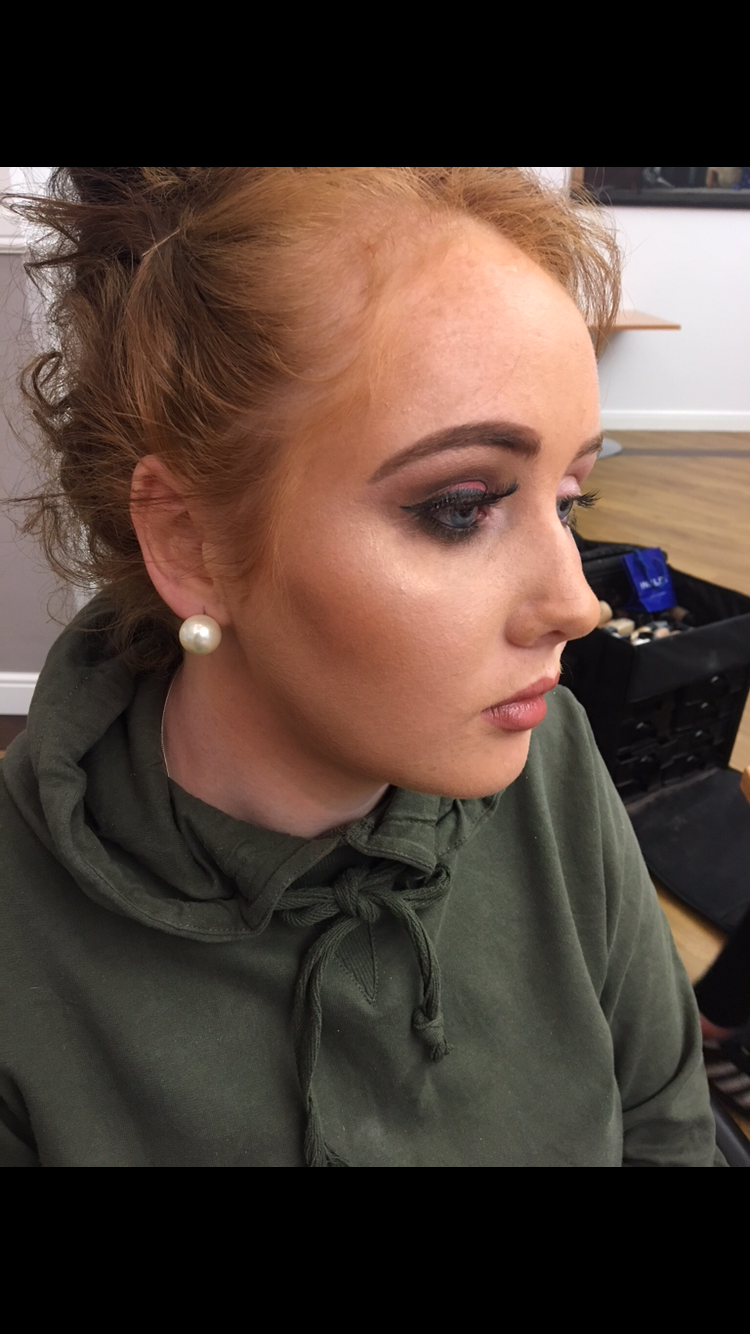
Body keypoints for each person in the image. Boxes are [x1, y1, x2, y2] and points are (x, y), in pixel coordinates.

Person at [0, 167, 721, 1167]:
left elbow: (667, 1130)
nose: (577, 605)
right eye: (462, 508)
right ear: (191, 542)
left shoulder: (549, 756)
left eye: (570, 499)